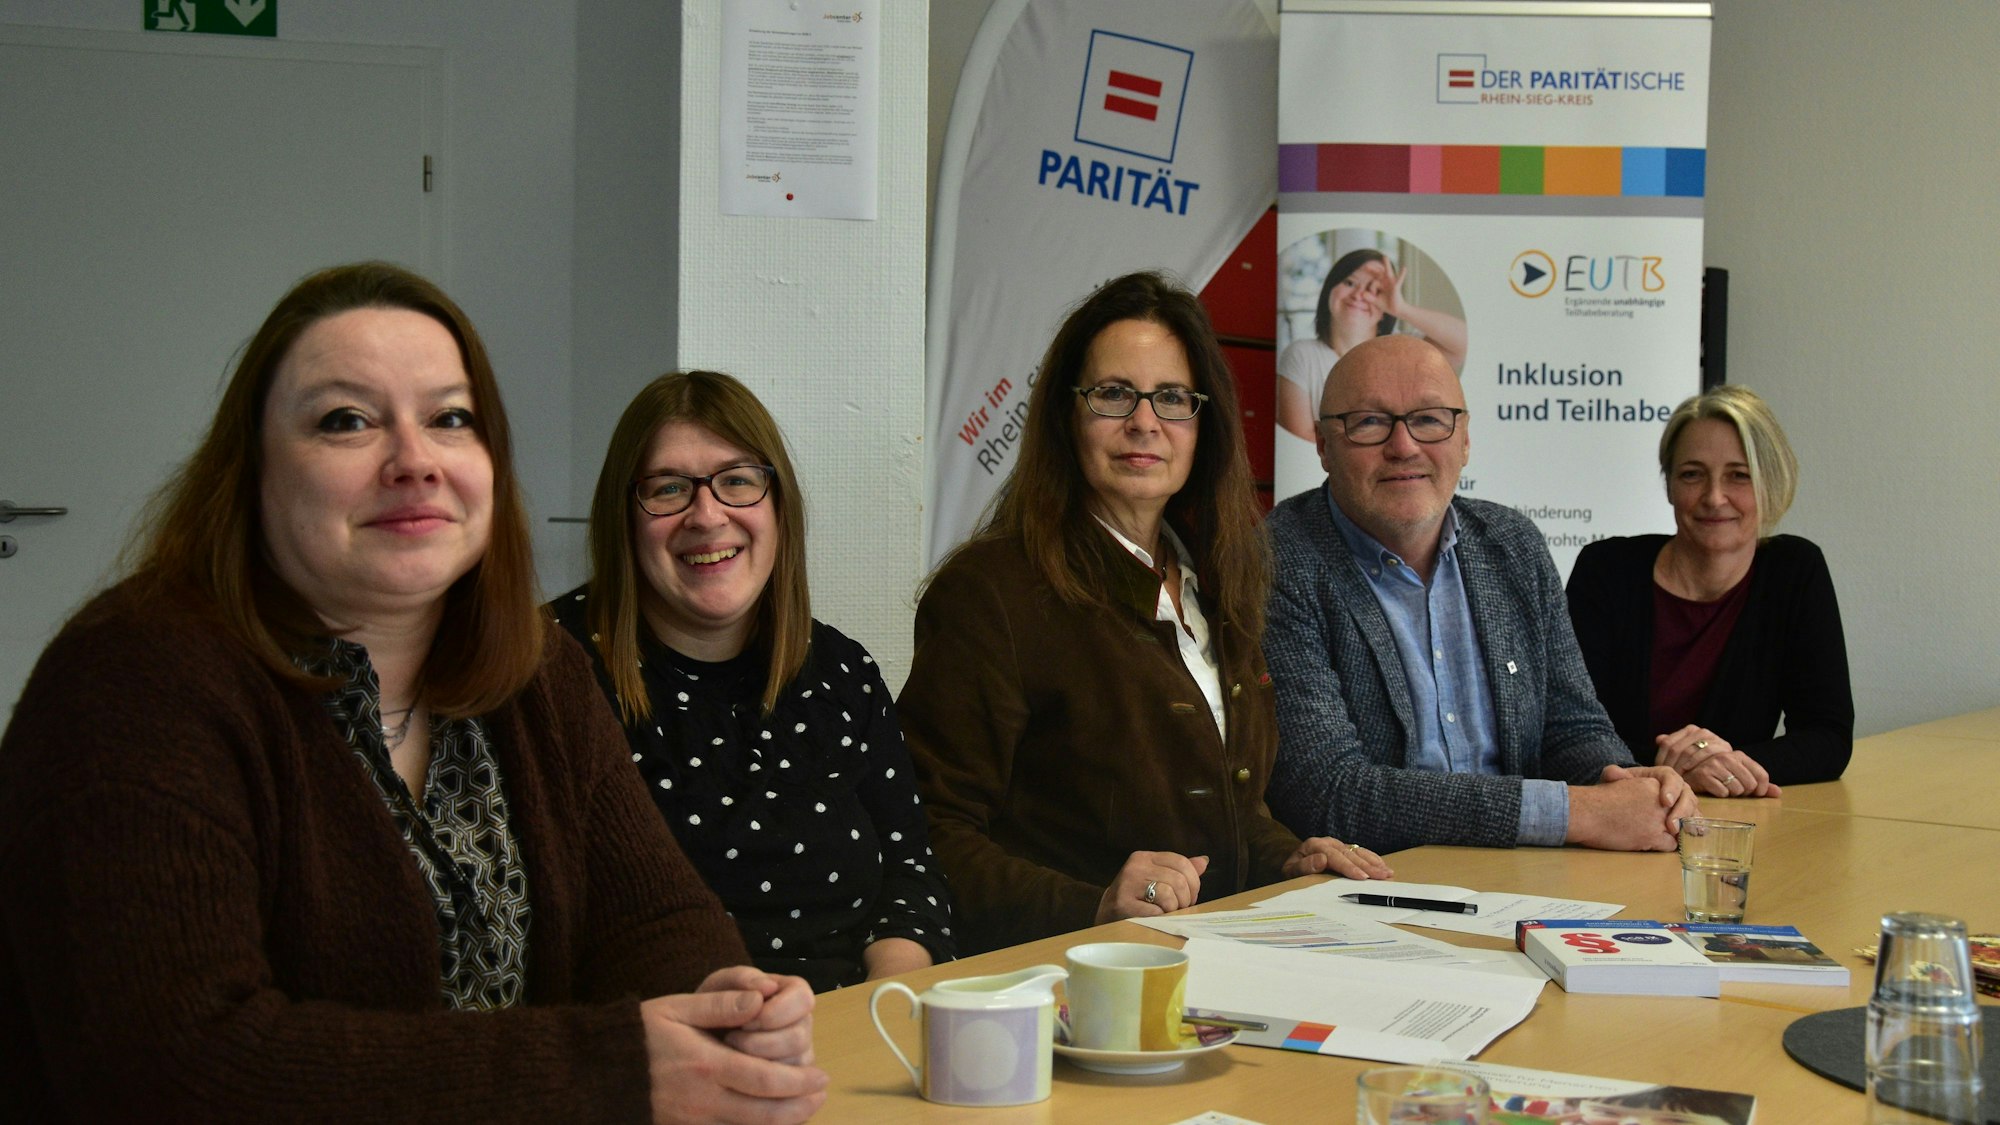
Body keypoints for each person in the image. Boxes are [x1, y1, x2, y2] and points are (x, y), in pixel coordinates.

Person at [0, 263, 826, 1124]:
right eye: (346, 421)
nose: (415, 461)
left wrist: (725, 1010)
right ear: (251, 473)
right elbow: (177, 1072)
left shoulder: (537, 667)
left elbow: (655, 917)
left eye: (450, 418)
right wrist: (611, 1071)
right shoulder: (133, 679)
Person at [899, 270, 1392, 956]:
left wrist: (1289, 857)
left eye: (1171, 398)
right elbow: (926, 834)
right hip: (1064, 982)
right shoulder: (990, 593)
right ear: (1067, 416)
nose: (1144, 421)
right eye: (1112, 394)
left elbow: (1226, 806)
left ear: (1203, 422)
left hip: (1219, 963)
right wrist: (1093, 904)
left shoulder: (1218, 579)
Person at [550, 370, 954, 993]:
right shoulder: (550, 671)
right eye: (669, 489)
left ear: (778, 505)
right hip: (656, 1049)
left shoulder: (842, 671)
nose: (707, 516)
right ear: (622, 518)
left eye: (737, 481)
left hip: (854, 1028)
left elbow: (910, 872)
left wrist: (888, 1000)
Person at [1264, 335, 1700, 855]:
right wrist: (1575, 813)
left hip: (1523, 878)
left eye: (1429, 419)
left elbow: (1571, 727)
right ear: (1322, 445)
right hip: (1374, 888)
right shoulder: (1276, 560)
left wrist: (1631, 787)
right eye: (1369, 423)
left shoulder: (1512, 544)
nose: (1404, 446)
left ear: (1465, 438)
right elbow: (1328, 793)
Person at [1565, 386, 1853, 796]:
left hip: (1733, 819)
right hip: (1623, 811)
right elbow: (1570, 730)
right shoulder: (1606, 571)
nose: (1714, 498)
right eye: (1692, 475)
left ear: (1770, 482)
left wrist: (1723, 767)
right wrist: (1677, 769)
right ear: (1669, 485)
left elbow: (1828, 736)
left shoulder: (1794, 572)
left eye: (1739, 475)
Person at [1276, 247, 1469, 442]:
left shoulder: (1405, 350)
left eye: (1374, 290)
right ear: (1330, 290)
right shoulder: (1301, 354)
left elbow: (1463, 344)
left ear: (1384, 311)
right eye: (1350, 282)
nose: (1359, 294)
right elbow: (1298, 438)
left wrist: (1401, 308)